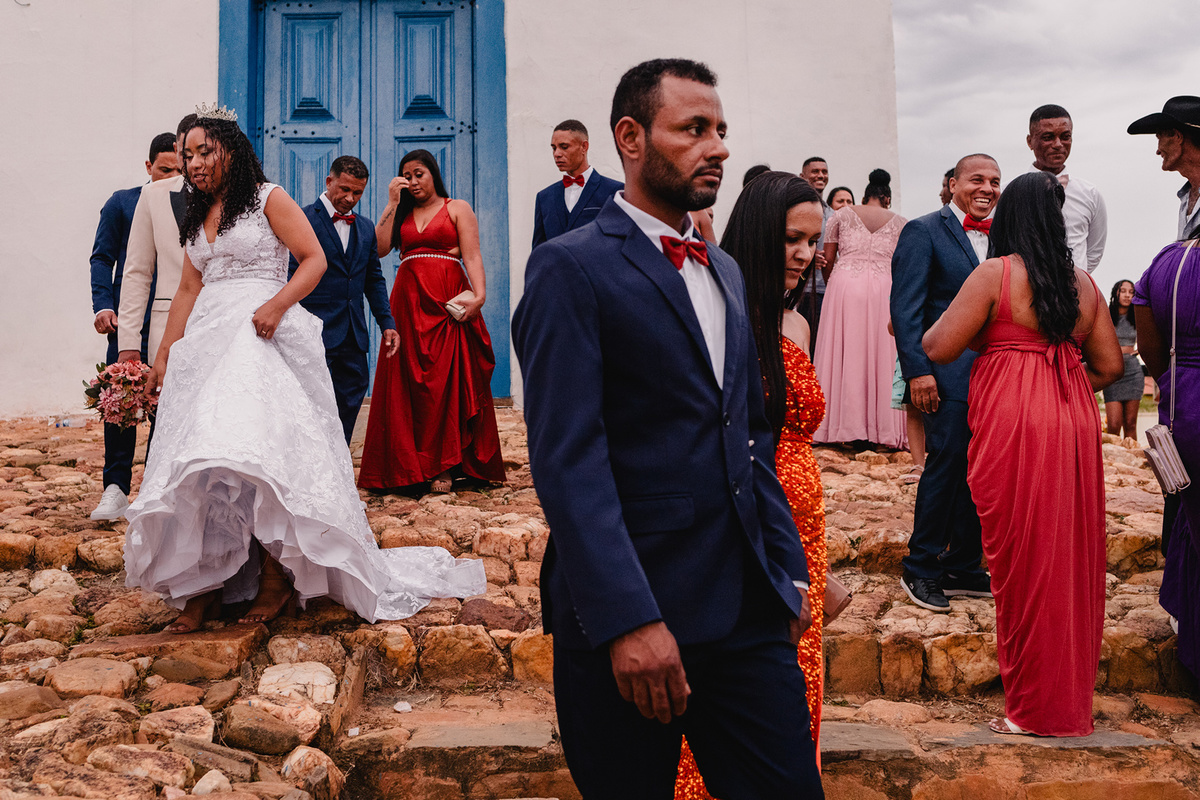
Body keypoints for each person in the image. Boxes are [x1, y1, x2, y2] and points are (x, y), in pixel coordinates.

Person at [512, 59, 824, 799]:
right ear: (631, 137)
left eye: (722, 130)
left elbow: (750, 438)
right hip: (629, 623)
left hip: (746, 613)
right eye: (694, 129)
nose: (718, 146)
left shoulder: (725, 271)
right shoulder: (569, 268)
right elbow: (569, 463)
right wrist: (628, 621)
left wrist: (788, 576)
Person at [124, 107, 485, 634]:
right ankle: (203, 584)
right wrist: (163, 355)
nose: (195, 163)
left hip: (259, 337)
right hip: (206, 342)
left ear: (230, 151)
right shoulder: (195, 213)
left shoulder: (268, 198)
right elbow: (188, 287)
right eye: (187, 154)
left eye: (204, 151)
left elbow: (313, 258)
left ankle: (276, 576)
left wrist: (276, 306)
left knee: (261, 453)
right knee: (203, 461)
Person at [923, 171, 1122, 736]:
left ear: (1008, 218)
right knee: (1066, 558)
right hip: (1072, 419)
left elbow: (939, 345)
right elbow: (1109, 366)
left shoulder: (996, 273)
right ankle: (1064, 702)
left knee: (1020, 563)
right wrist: (1059, 380)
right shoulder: (1084, 284)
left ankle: (1032, 709)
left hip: (1013, 418)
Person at [674, 172, 827, 798]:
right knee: (748, 700)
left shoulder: (798, 325)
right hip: (748, 527)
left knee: (800, 692)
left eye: (813, 241)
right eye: (792, 238)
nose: (804, 254)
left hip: (804, 533)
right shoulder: (719, 317)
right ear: (761, 233)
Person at [891, 154, 1001, 612]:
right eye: (977, 179)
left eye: (995, 181)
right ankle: (920, 567)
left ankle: (963, 565)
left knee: (980, 468)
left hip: (991, 375)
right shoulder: (923, 231)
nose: (987, 188)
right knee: (947, 463)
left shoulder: (1003, 235)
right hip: (943, 373)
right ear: (953, 183)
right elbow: (906, 309)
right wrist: (918, 371)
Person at [359, 150, 505, 493]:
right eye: (406, 176)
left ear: (433, 174)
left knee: (444, 382)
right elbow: (378, 249)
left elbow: (472, 255)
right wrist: (391, 203)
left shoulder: (457, 208)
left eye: (419, 174)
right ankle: (406, 467)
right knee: (407, 382)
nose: (413, 181)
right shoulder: (402, 213)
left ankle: (446, 465)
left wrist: (479, 297)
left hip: (445, 303)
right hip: (408, 304)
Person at [88, 132, 180, 521]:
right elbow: (102, 257)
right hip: (127, 321)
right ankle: (115, 488)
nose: (173, 177)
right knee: (120, 403)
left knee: (168, 405)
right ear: (148, 166)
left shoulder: (191, 203)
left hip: (173, 320)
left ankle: (156, 487)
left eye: (178, 170)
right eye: (164, 170)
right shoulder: (122, 202)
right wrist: (103, 306)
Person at [1128, 97, 1200, 559]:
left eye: (1161, 136)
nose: (1157, 148)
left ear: (1182, 137)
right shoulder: (1186, 198)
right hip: (1182, 373)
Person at [290, 156, 398, 445]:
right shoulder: (301, 219)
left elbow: (374, 279)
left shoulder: (366, 228)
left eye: (358, 192)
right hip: (313, 331)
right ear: (329, 181)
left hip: (353, 335)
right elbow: (288, 274)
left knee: (350, 399)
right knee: (310, 404)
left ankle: (338, 460)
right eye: (345, 189)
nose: (350, 198)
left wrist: (387, 323)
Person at [1134, 235, 1200, 681]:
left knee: (1191, 518)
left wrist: (1175, 379)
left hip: (1183, 405)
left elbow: (1149, 347)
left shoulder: (1168, 262)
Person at [814, 169, 907, 449]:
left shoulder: (840, 215)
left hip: (845, 285)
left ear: (865, 196)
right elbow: (902, 266)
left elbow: (828, 259)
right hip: (884, 288)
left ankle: (842, 426)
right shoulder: (901, 222)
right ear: (887, 198)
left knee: (846, 353)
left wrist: (835, 283)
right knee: (882, 353)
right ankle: (882, 430)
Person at [1024, 104, 1107, 273]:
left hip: (1075, 285)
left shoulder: (1090, 194)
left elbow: (1094, 252)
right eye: (1048, 137)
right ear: (1030, 141)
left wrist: (1074, 278)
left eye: (1065, 137)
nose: (1058, 144)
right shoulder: (1008, 192)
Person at [531, 119, 623, 248]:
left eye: (564, 147)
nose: (557, 154)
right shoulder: (544, 197)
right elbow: (539, 251)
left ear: (584, 147)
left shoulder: (614, 191)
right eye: (554, 148)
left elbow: (621, 243)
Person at [798, 156, 831, 353]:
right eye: (815, 171)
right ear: (803, 176)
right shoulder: (795, 209)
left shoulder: (832, 214)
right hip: (802, 290)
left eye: (824, 171)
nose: (820, 175)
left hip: (825, 290)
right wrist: (810, 255)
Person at [1103, 280, 1143, 440]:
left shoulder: (1137, 316)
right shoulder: (1106, 315)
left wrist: (1139, 350)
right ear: (1116, 293)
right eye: (1123, 291)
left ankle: (1132, 456)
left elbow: (1153, 335)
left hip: (1133, 372)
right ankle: (1112, 457)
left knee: (1130, 424)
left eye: (1131, 292)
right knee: (1113, 425)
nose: (1127, 295)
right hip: (1112, 373)